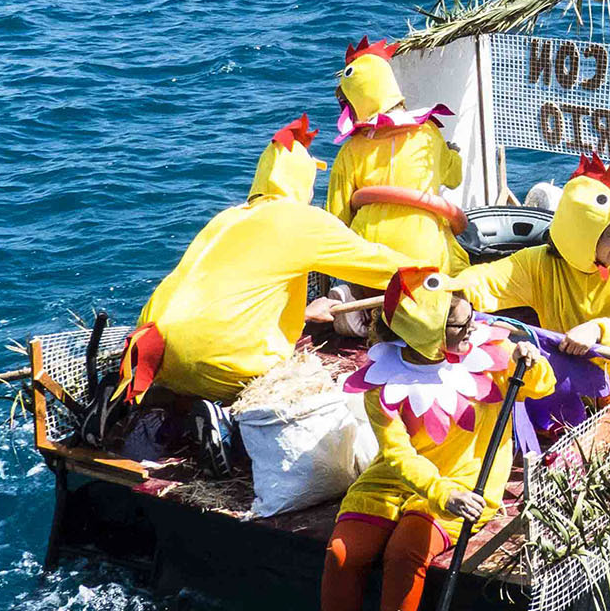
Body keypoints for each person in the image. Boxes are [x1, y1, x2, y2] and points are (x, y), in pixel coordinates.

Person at [117, 116, 402, 408]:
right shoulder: (300, 220)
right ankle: (226, 422)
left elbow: (227, 295)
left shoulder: (228, 217)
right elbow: (388, 269)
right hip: (214, 366)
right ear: (303, 181)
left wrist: (302, 314)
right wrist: (444, 275)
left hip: (155, 353)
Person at [324, 266, 554, 611]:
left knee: (405, 554)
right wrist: (438, 491)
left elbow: (540, 386)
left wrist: (531, 362)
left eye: (472, 316)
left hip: (465, 481)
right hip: (396, 481)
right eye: (461, 325)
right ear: (425, 332)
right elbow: (398, 454)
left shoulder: (489, 354)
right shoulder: (382, 381)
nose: (473, 327)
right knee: (340, 554)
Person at [458, 155, 610, 409]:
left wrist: (597, 330)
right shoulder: (537, 263)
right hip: (566, 373)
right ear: (584, 238)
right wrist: (445, 289)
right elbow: (485, 280)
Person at [325, 37, 467, 273]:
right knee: (459, 268)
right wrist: (454, 155)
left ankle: (351, 294)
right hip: (423, 247)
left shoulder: (350, 151)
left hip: (370, 251)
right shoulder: (428, 133)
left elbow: (337, 217)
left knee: (360, 276)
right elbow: (453, 177)